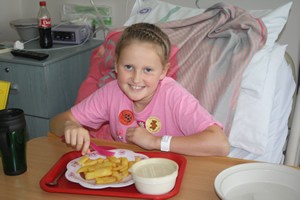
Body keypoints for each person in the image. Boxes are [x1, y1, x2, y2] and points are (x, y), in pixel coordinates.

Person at [50, 23, 230, 156]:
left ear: (163, 72)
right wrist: (70, 126)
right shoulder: (111, 92)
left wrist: (156, 141)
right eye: (128, 67)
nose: (136, 79)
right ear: (116, 65)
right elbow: (57, 122)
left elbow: (220, 144)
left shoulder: (174, 96)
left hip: (173, 172)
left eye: (148, 70)